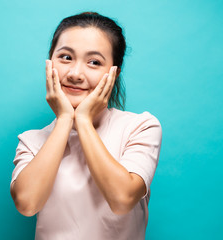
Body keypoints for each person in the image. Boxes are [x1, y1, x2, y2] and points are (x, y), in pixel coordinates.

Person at [10, 12, 162, 240]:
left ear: (114, 73)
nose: (75, 74)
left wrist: (82, 120)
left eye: (94, 62)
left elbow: (122, 199)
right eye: (65, 57)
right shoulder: (31, 140)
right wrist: (64, 119)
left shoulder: (140, 127)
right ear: (50, 63)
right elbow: (27, 204)